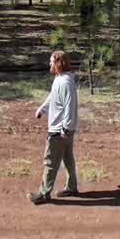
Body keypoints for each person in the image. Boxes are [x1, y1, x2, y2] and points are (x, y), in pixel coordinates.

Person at [29, 50, 79, 204]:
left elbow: (70, 107)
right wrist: (42, 109)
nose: (49, 64)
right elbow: (53, 97)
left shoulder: (65, 83)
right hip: (63, 128)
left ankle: (44, 193)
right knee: (67, 158)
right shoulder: (60, 79)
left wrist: (65, 128)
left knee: (50, 160)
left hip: (59, 130)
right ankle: (71, 187)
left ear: (58, 63)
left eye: (51, 61)